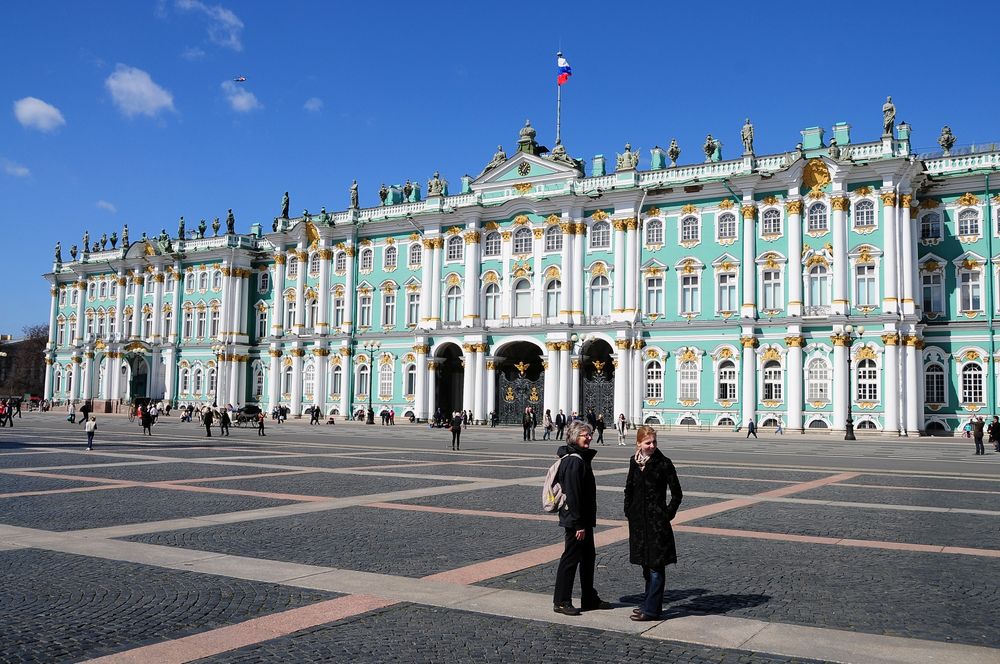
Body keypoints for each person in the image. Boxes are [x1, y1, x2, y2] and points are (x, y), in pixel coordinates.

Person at [552, 420, 612, 616]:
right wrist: (578, 524)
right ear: (574, 437)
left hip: (582, 519)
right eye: (585, 435)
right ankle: (561, 601)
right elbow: (573, 495)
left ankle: (589, 597)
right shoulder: (573, 461)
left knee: (587, 557)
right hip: (575, 520)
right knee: (570, 558)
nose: (589, 437)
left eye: (589, 434)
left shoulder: (580, 459)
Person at [624, 425, 683, 621]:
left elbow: (677, 494)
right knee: (646, 566)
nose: (652, 446)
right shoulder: (634, 462)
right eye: (648, 442)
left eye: (654, 442)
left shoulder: (664, 463)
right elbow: (629, 488)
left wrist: (666, 514)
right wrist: (629, 511)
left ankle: (652, 610)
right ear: (639, 443)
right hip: (639, 522)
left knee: (657, 567)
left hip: (657, 524)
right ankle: (649, 603)